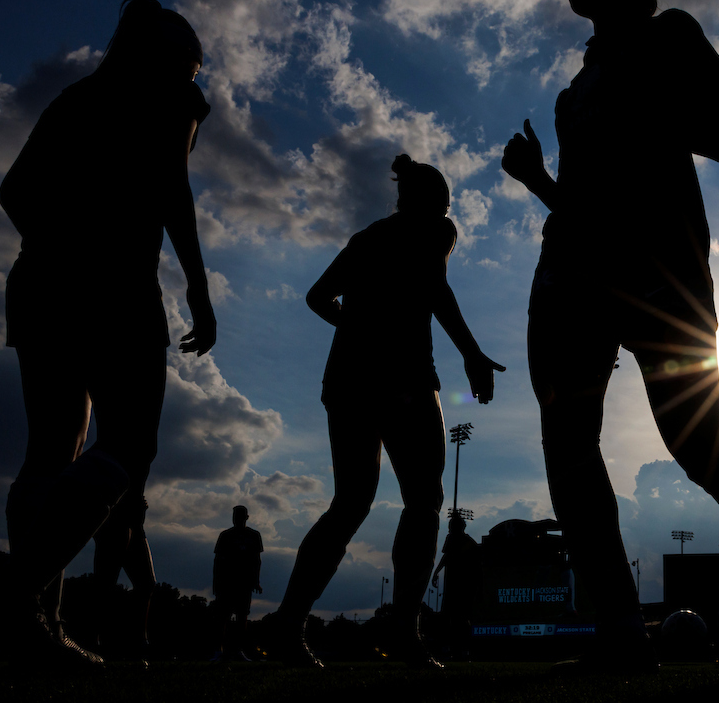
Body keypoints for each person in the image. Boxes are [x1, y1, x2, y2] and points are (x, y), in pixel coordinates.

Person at [501, 0, 719, 667]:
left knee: (697, 444)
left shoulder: (670, 33)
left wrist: (640, 95)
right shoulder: (572, 92)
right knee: (568, 444)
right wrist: (537, 179)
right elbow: (582, 206)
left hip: (661, 273)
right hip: (572, 275)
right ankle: (619, 628)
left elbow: (718, 137)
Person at [0, 0, 216, 665]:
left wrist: (58, 248)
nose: (195, 79)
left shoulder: (76, 99)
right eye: (192, 67)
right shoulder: (173, 100)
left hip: (39, 284)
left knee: (49, 451)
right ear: (170, 62)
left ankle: (37, 622)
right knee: (130, 442)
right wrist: (198, 287)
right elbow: (175, 191)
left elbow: (13, 193)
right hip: (116, 288)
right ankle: (19, 595)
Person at [275, 154, 504, 669]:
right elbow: (436, 289)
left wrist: (358, 329)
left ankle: (289, 623)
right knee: (423, 500)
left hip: (347, 380)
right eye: (445, 204)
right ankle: (404, 632)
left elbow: (317, 297)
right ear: (435, 202)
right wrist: (471, 353)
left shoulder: (366, 238)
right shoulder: (436, 230)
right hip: (404, 378)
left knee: (350, 502)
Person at [213, 505, 264, 661]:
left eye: (240, 516)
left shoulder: (254, 536)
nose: (237, 519)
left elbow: (257, 560)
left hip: (244, 582)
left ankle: (238, 650)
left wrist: (256, 581)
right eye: (235, 516)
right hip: (227, 582)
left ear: (246, 518)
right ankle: (219, 650)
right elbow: (218, 561)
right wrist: (216, 583)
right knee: (223, 617)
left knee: (242, 617)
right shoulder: (225, 535)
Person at [431, 513, 483, 659]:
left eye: (452, 526)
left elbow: (476, 565)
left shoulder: (468, 543)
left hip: (462, 586)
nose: (449, 529)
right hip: (451, 585)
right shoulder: (452, 539)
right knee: (449, 617)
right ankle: (450, 648)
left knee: (461, 618)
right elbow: (446, 557)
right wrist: (436, 572)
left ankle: (463, 648)